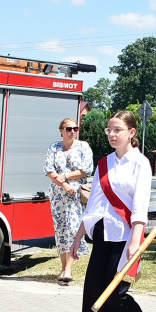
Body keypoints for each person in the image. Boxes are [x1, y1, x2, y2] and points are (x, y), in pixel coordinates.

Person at [71, 110, 155, 312]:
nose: (111, 133)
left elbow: (141, 205)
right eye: (109, 129)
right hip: (103, 233)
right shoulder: (104, 163)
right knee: (95, 291)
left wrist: (136, 241)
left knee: (115, 292)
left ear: (131, 133)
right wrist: (79, 237)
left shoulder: (141, 163)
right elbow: (94, 203)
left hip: (127, 235)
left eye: (117, 129)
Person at [44, 118, 94, 283]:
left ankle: (68, 270)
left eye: (75, 128)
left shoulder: (83, 146)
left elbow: (86, 169)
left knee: (73, 229)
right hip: (58, 194)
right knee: (60, 230)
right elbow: (49, 170)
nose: (73, 131)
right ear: (61, 130)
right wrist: (64, 184)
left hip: (75, 194)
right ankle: (63, 267)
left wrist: (65, 177)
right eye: (68, 128)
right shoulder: (54, 147)